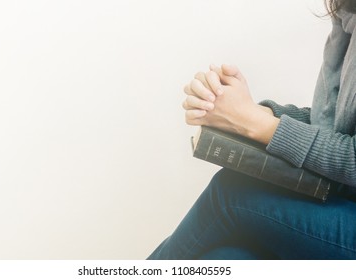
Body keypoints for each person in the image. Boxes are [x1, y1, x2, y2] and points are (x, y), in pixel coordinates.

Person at [147, 0, 356, 260]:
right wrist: (244, 110)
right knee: (227, 257)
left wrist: (252, 123)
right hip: (343, 201)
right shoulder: (348, 14)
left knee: (231, 193)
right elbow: (333, 125)